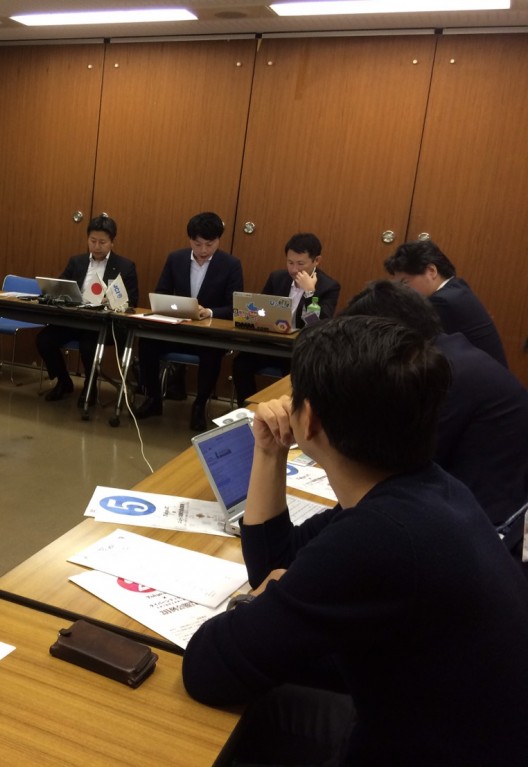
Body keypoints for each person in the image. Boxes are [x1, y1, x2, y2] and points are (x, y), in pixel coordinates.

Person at [181, 315, 528, 765]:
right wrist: (269, 450)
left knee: (221, 726)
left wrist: (255, 601)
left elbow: (206, 669)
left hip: (420, 748)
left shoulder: (379, 537)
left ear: (309, 419)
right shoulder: (426, 488)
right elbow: (276, 561)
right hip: (441, 729)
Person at [341, 279, 528, 529]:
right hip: (476, 496)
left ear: (390, 335)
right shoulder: (449, 351)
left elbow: (401, 464)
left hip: (488, 520)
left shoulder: (443, 375)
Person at [135, 212, 243, 430]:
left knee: (212, 352)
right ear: (190, 240)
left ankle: (199, 405)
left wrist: (209, 312)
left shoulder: (231, 264)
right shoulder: (176, 259)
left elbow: (235, 307)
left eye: (209, 244)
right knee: (147, 343)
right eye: (197, 244)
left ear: (218, 240)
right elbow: (162, 292)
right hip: (177, 329)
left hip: (209, 334)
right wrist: (174, 307)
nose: (203, 250)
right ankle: (154, 398)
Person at [37, 214, 139, 405]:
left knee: (88, 345)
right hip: (75, 319)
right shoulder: (77, 262)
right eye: (93, 241)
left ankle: (90, 387)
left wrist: (111, 300)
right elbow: (61, 286)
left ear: (112, 242)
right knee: (45, 340)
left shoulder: (125, 266)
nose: (97, 246)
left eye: (102, 242)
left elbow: (132, 301)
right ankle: (63, 381)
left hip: (103, 325)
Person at [231, 233, 340, 405]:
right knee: (241, 364)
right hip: (271, 343)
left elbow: (317, 325)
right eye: (290, 262)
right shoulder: (277, 278)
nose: (294, 269)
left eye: (300, 264)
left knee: (296, 375)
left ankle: (289, 414)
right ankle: (247, 410)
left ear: (316, 261)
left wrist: (309, 293)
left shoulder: (328, 286)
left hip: (299, 351)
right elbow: (261, 309)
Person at [384, 239, 508, 367]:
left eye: (405, 283)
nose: (402, 290)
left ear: (431, 271)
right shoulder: (457, 288)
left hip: (477, 376)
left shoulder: (443, 302)